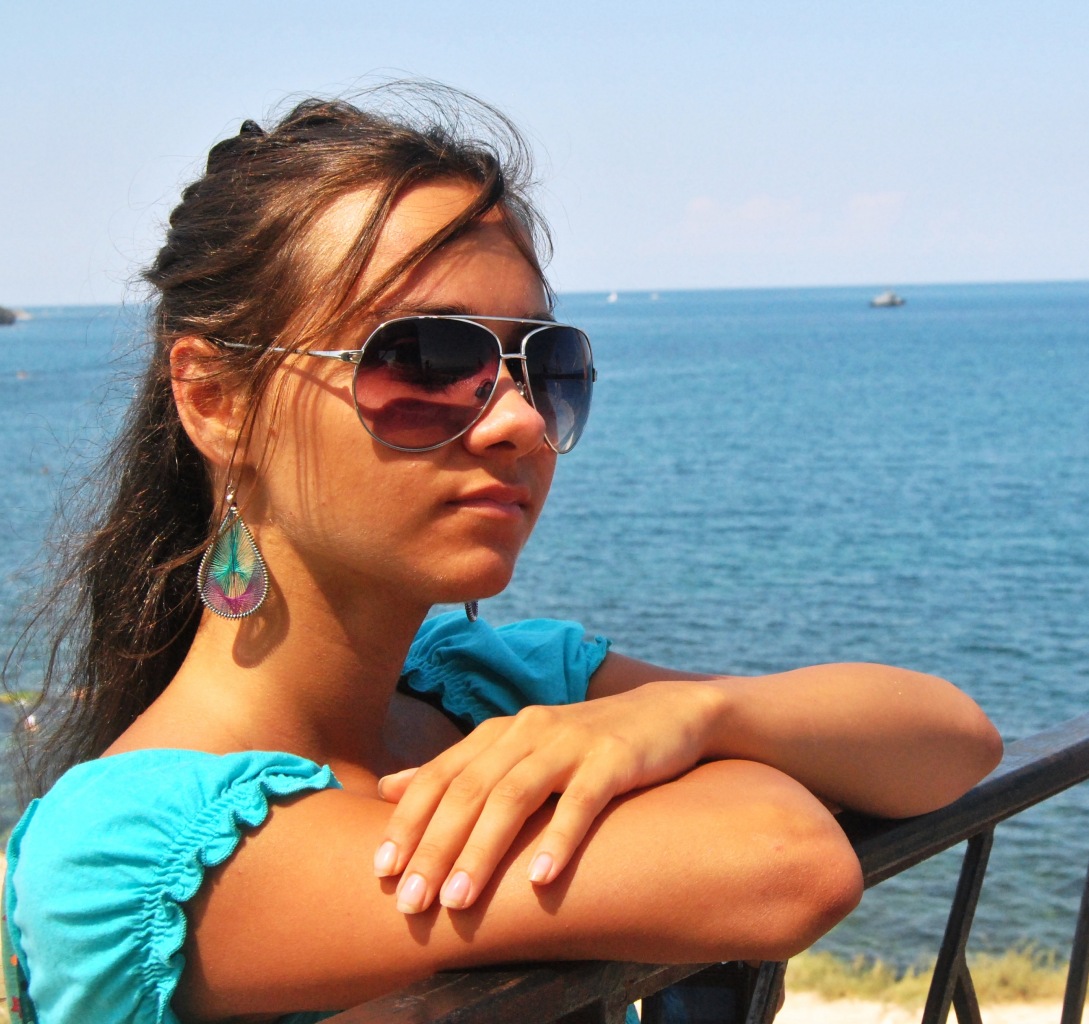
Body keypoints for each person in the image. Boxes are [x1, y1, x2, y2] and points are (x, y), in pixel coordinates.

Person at [2, 83, 1002, 1024]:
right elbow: (781, 859)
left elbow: (954, 740)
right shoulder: (131, 857)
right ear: (217, 401)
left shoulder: (481, 688)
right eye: (424, 360)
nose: (518, 420)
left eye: (542, 364)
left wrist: (696, 713)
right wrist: (697, 744)